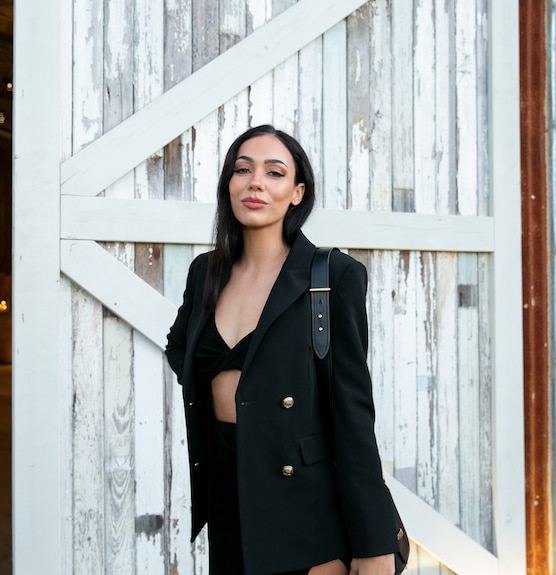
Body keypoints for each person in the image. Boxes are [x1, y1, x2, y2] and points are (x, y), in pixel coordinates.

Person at [166, 125, 399, 575]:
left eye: (274, 173)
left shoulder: (332, 275)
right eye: (242, 169)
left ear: (297, 193)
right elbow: (182, 351)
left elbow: (353, 418)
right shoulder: (206, 272)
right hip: (227, 489)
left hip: (305, 510)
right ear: (228, 186)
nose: (255, 182)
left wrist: (374, 548)